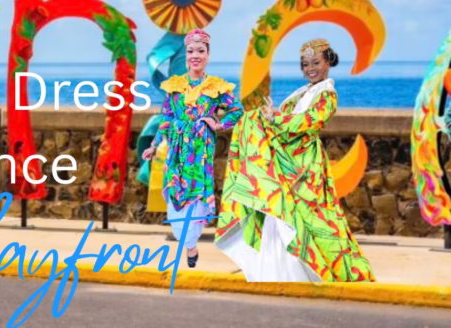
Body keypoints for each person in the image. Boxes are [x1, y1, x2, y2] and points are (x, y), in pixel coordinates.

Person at [215, 39, 375, 282]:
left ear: (328, 63)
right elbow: (283, 118)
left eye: (315, 62)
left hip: (306, 168)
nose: (310, 68)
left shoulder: (327, 95)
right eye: (305, 64)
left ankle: (341, 273)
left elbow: (310, 122)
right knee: (282, 214)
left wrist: (275, 120)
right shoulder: (301, 93)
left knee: (317, 220)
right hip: (286, 161)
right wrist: (266, 117)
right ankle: (281, 272)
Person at [142, 28, 243, 268]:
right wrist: (154, 145)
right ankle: (189, 245)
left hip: (200, 152)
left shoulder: (216, 87)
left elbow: (237, 112)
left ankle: (191, 243)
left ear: (208, 55)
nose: (195, 55)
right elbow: (166, 117)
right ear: (186, 55)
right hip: (176, 152)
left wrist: (218, 124)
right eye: (190, 51)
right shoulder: (175, 85)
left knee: (195, 197)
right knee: (177, 198)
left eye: (200, 50)